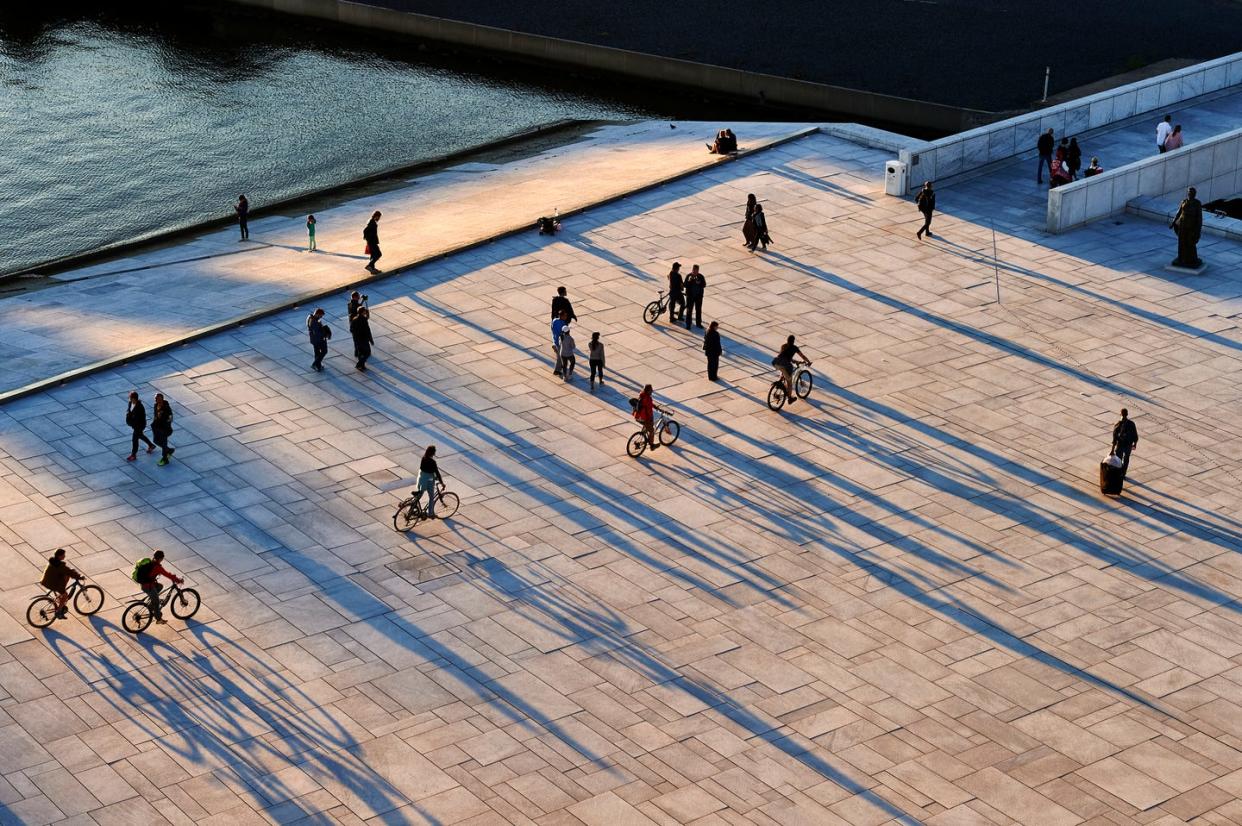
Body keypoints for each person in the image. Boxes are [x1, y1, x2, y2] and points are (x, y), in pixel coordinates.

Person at [136, 550, 182, 625]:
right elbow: (167, 574)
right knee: (156, 602)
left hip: (145, 584)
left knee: (160, 586)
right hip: (148, 586)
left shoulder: (151, 562)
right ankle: (158, 619)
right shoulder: (158, 567)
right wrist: (178, 580)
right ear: (161, 558)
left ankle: (151, 604)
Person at [40, 548, 81, 619]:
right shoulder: (60, 565)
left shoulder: (53, 561)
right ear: (59, 556)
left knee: (67, 574)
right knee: (65, 595)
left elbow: (68, 571)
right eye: (63, 555)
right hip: (52, 583)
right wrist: (79, 577)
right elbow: (68, 571)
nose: (64, 556)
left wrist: (72, 572)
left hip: (46, 580)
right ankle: (58, 612)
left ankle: (61, 594)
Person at [1171, 186, 1203, 268]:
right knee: (1181, 242)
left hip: (1191, 226)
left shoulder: (1197, 203)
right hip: (1182, 225)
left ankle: (1192, 260)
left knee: (1190, 243)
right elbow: (1179, 213)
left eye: (1192, 193)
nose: (1190, 194)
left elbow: (1199, 218)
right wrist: (1174, 221)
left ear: (1194, 194)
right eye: (1189, 192)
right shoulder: (1183, 201)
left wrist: (1198, 230)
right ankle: (1181, 258)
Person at [772, 335, 810, 404]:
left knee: (783, 370)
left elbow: (784, 356)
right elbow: (802, 356)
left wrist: (794, 361)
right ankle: (790, 398)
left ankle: (780, 383)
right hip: (785, 365)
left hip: (776, 362)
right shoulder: (794, 348)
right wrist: (808, 361)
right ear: (793, 341)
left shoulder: (783, 346)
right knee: (789, 382)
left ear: (787, 340)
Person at [125, 391, 156, 461]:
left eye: (130, 398)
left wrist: (130, 422)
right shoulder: (130, 403)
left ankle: (133, 455)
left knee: (135, 439)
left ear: (134, 399)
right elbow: (129, 411)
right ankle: (151, 445)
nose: (129, 399)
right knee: (140, 435)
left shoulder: (139, 407)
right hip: (135, 424)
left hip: (139, 425)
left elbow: (137, 419)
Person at [414, 445, 443, 518]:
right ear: (433, 453)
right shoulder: (432, 462)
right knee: (431, 497)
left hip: (421, 480)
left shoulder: (423, 458)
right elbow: (437, 473)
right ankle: (430, 513)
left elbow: (423, 470)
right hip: (428, 481)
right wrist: (441, 483)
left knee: (419, 494)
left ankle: (413, 506)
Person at [1111, 408, 1139, 476]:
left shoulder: (1118, 424)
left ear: (1120, 414)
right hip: (1128, 445)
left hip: (1120, 445)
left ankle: (1119, 472)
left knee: (1119, 459)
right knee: (1126, 459)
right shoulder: (1131, 424)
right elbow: (1135, 435)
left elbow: (1115, 438)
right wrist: (1135, 444)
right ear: (1127, 414)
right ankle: (1123, 473)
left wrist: (1112, 450)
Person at [151, 393, 175, 466]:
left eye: (157, 398)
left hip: (164, 429)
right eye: (155, 398)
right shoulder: (155, 405)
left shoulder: (166, 407)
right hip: (156, 427)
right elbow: (155, 415)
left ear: (161, 399)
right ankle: (169, 450)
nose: (156, 400)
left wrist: (167, 423)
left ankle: (165, 459)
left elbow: (170, 417)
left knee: (164, 443)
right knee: (155, 440)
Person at [634, 385, 658, 450]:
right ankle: (652, 445)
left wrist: (654, 406)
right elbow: (649, 411)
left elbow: (647, 404)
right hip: (644, 418)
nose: (652, 391)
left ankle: (644, 435)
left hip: (637, 416)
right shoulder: (648, 398)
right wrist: (650, 419)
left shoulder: (641, 395)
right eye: (651, 390)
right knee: (652, 431)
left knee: (647, 427)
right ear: (648, 391)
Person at [351, 307, 374, 371]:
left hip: (357, 339)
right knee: (367, 353)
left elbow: (351, 329)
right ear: (362, 312)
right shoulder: (364, 319)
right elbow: (367, 330)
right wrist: (371, 340)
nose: (365, 312)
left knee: (361, 353)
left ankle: (362, 365)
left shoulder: (354, 319)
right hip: (363, 339)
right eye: (364, 311)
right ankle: (359, 364)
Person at [307, 307, 329, 371]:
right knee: (324, 351)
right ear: (317, 314)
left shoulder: (310, 318)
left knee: (317, 353)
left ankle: (318, 365)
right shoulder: (314, 322)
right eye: (321, 315)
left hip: (314, 339)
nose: (321, 317)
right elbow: (317, 332)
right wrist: (325, 334)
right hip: (318, 339)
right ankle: (315, 364)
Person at [551, 309, 570, 375]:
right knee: (559, 358)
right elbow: (562, 334)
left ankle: (560, 367)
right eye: (565, 315)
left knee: (560, 356)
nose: (566, 317)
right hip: (558, 343)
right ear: (561, 316)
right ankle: (557, 371)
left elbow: (553, 330)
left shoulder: (554, 320)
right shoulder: (562, 323)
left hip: (554, 341)